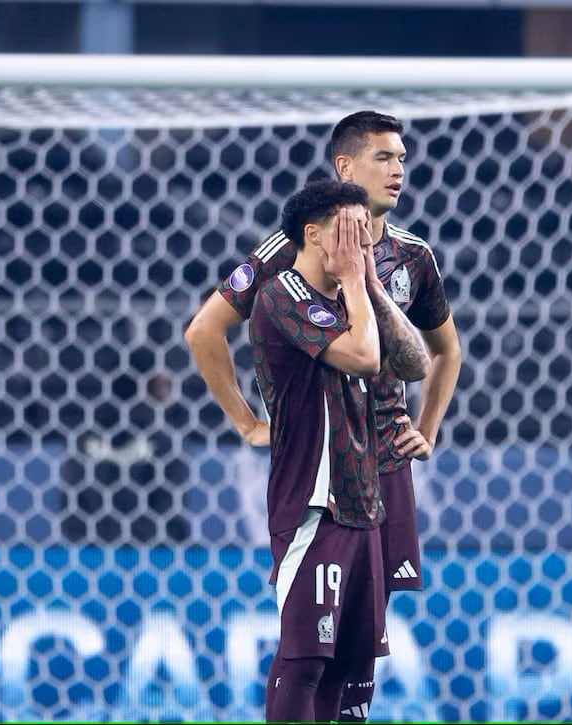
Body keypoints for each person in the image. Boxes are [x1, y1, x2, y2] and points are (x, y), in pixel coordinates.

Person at [185, 110, 462, 721]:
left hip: (383, 461)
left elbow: (443, 352)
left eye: (402, 159)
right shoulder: (293, 252)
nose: (398, 171)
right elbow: (205, 329)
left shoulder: (413, 256)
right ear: (345, 166)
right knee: (312, 643)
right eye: (384, 158)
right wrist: (247, 422)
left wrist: (428, 430)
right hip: (320, 462)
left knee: (363, 643)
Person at [250, 179, 422, 722]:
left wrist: (366, 280)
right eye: (351, 232)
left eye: (367, 233)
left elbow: (414, 362)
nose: (365, 243)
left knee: (355, 671)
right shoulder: (284, 295)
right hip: (314, 504)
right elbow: (367, 358)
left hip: (366, 505)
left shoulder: (354, 298)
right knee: (304, 663)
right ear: (314, 234)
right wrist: (356, 280)